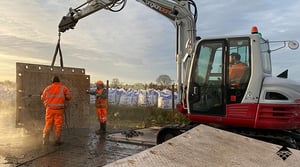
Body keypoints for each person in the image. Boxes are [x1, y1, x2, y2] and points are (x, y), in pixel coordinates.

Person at [41, 76, 72, 145]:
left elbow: (42, 97)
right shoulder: (63, 88)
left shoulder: (47, 88)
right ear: (59, 81)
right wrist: (65, 98)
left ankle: (45, 140)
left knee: (48, 124)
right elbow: (69, 97)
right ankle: (57, 140)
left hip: (49, 110)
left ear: (52, 81)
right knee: (58, 125)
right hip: (59, 111)